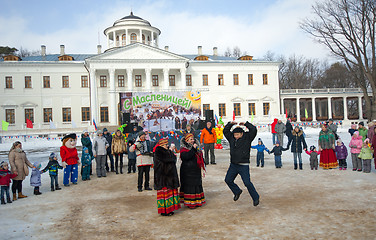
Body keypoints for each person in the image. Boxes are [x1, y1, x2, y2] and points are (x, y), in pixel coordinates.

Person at [224, 121, 259, 206]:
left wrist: (246, 124)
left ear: (242, 134)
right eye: (235, 135)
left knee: (247, 183)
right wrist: (230, 124)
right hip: (233, 165)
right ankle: (237, 191)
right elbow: (225, 131)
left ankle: (255, 197)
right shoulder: (231, 138)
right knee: (228, 180)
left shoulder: (248, 137)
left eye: (237, 135)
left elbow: (253, 129)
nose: (236, 136)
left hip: (243, 165)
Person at [154, 138, 180, 216]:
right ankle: (164, 211)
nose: (167, 146)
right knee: (165, 194)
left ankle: (170, 209)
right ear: (162, 145)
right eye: (165, 144)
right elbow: (167, 161)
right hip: (164, 177)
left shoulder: (168, 152)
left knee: (170, 193)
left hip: (169, 176)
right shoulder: (159, 153)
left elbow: (173, 159)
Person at [180, 133, 206, 209]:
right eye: (191, 139)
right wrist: (193, 149)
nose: (193, 140)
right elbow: (186, 157)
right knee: (190, 186)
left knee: (196, 185)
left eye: (193, 139)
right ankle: (190, 203)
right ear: (187, 140)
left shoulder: (196, 147)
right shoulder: (183, 149)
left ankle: (197, 201)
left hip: (196, 169)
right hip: (187, 171)